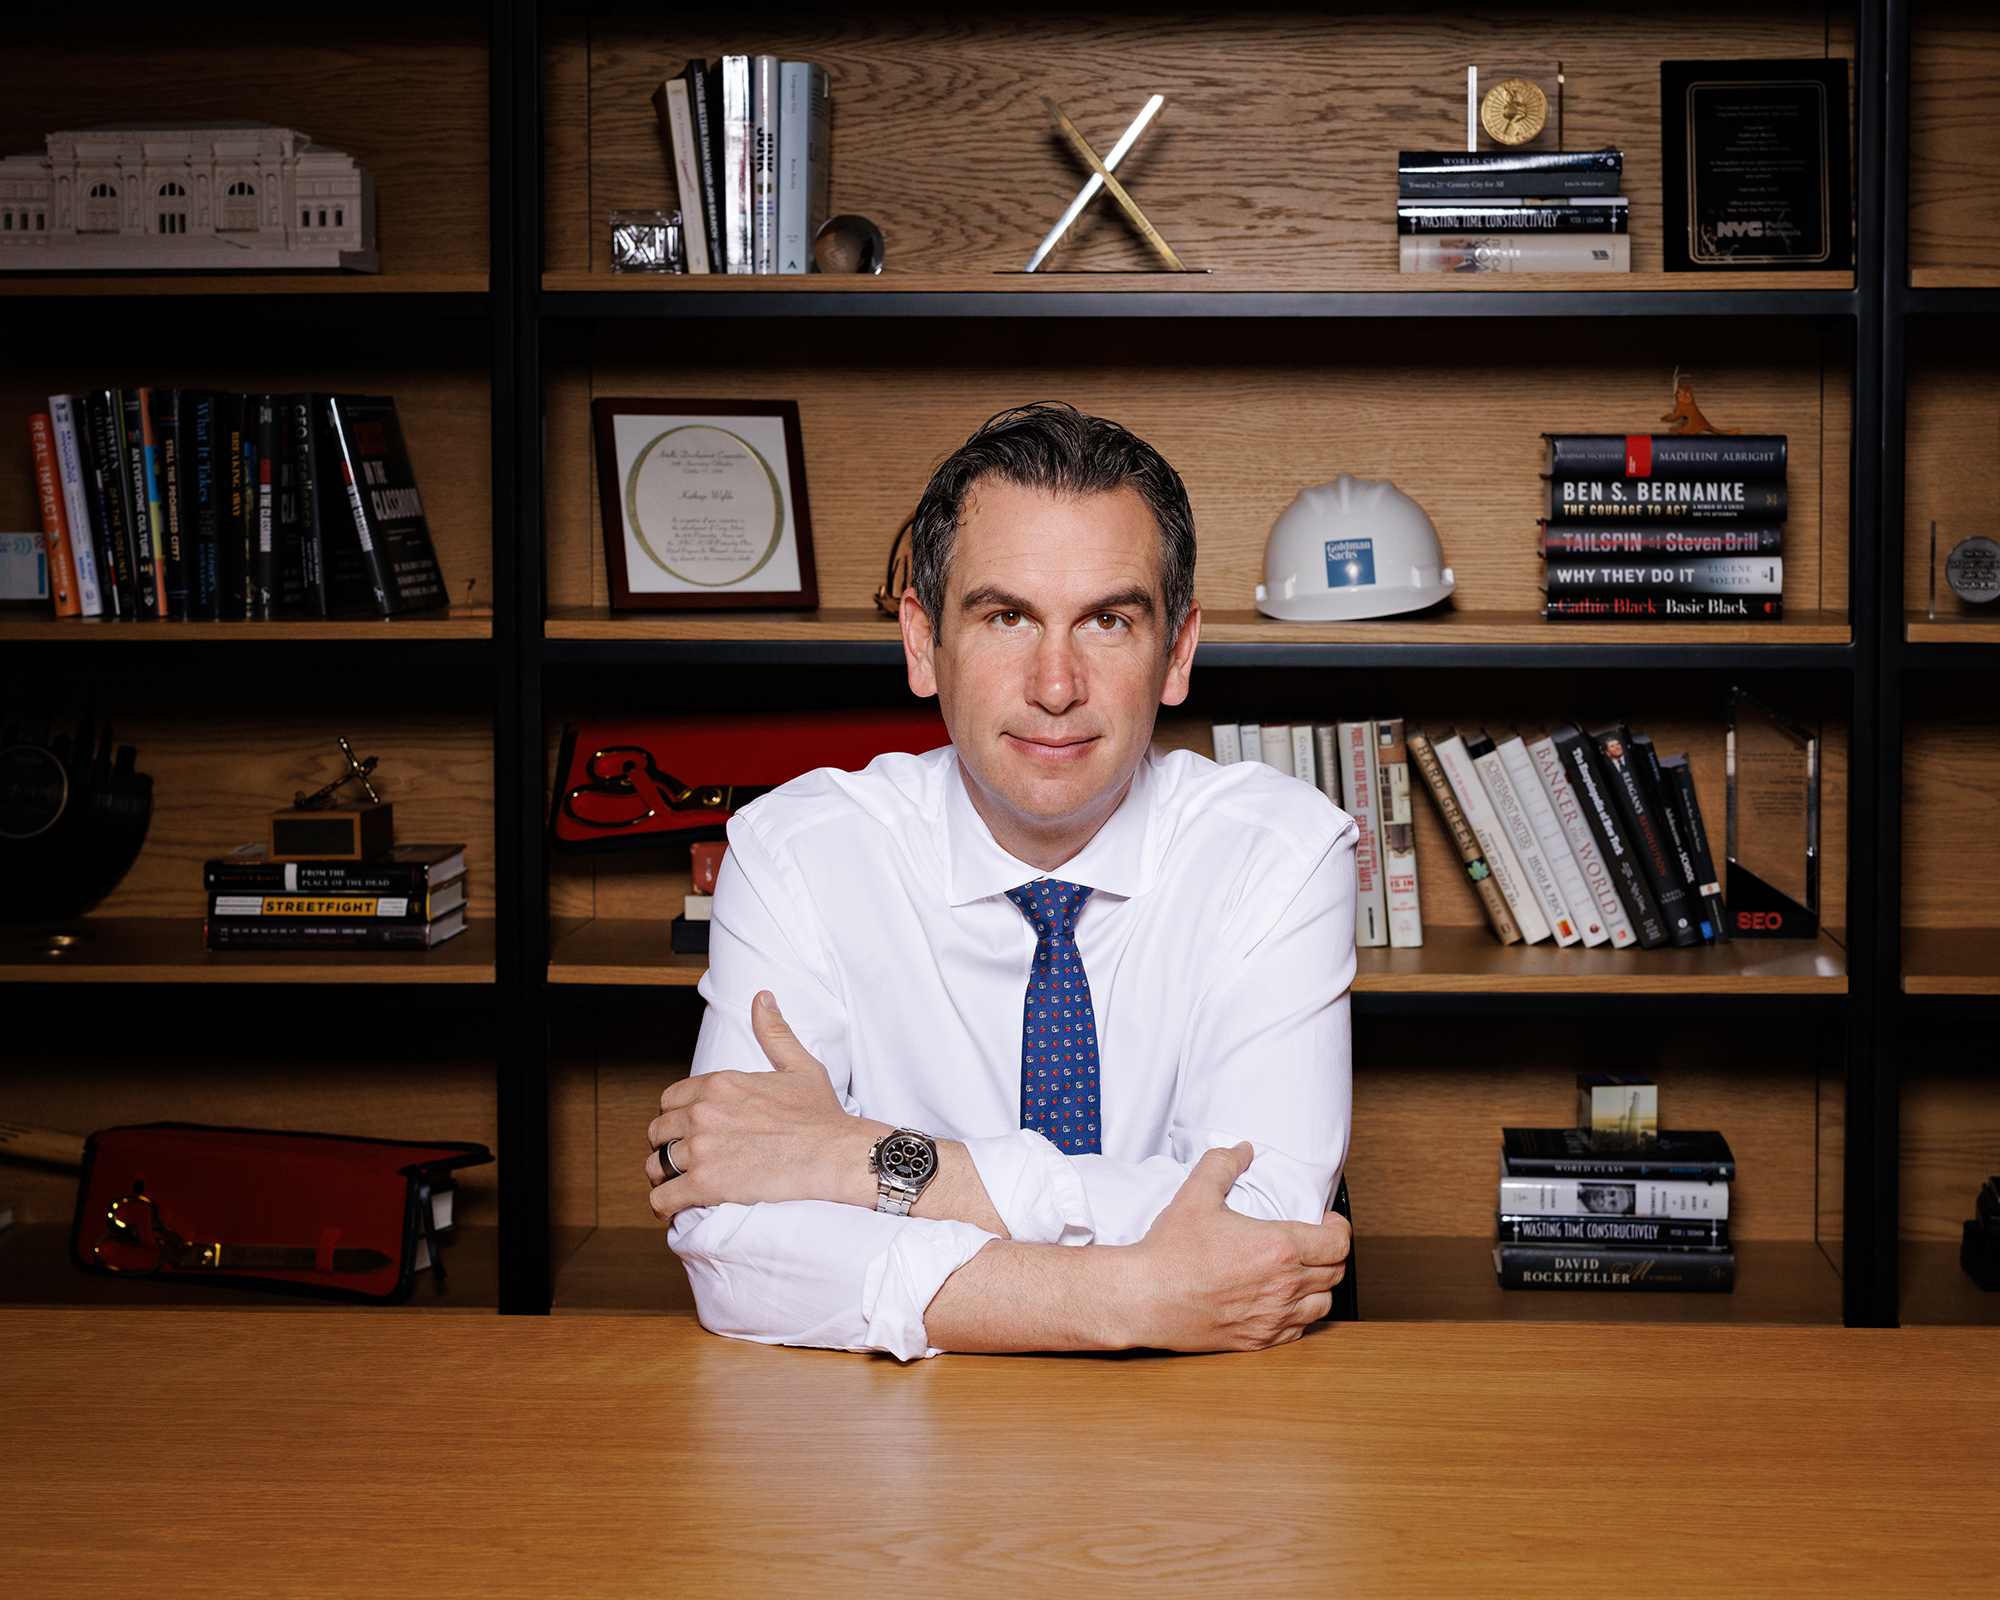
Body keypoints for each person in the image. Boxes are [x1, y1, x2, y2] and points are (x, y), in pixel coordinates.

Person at [646, 402, 1356, 1359]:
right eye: (1007, 616)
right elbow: (731, 1242)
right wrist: (1130, 1298)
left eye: (1108, 620)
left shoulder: (1280, 855)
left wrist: (863, 1161)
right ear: (920, 641)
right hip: (887, 1449)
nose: (1055, 685)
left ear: (1177, 652)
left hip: (1205, 1438)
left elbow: (1265, 1230)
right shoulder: (796, 854)